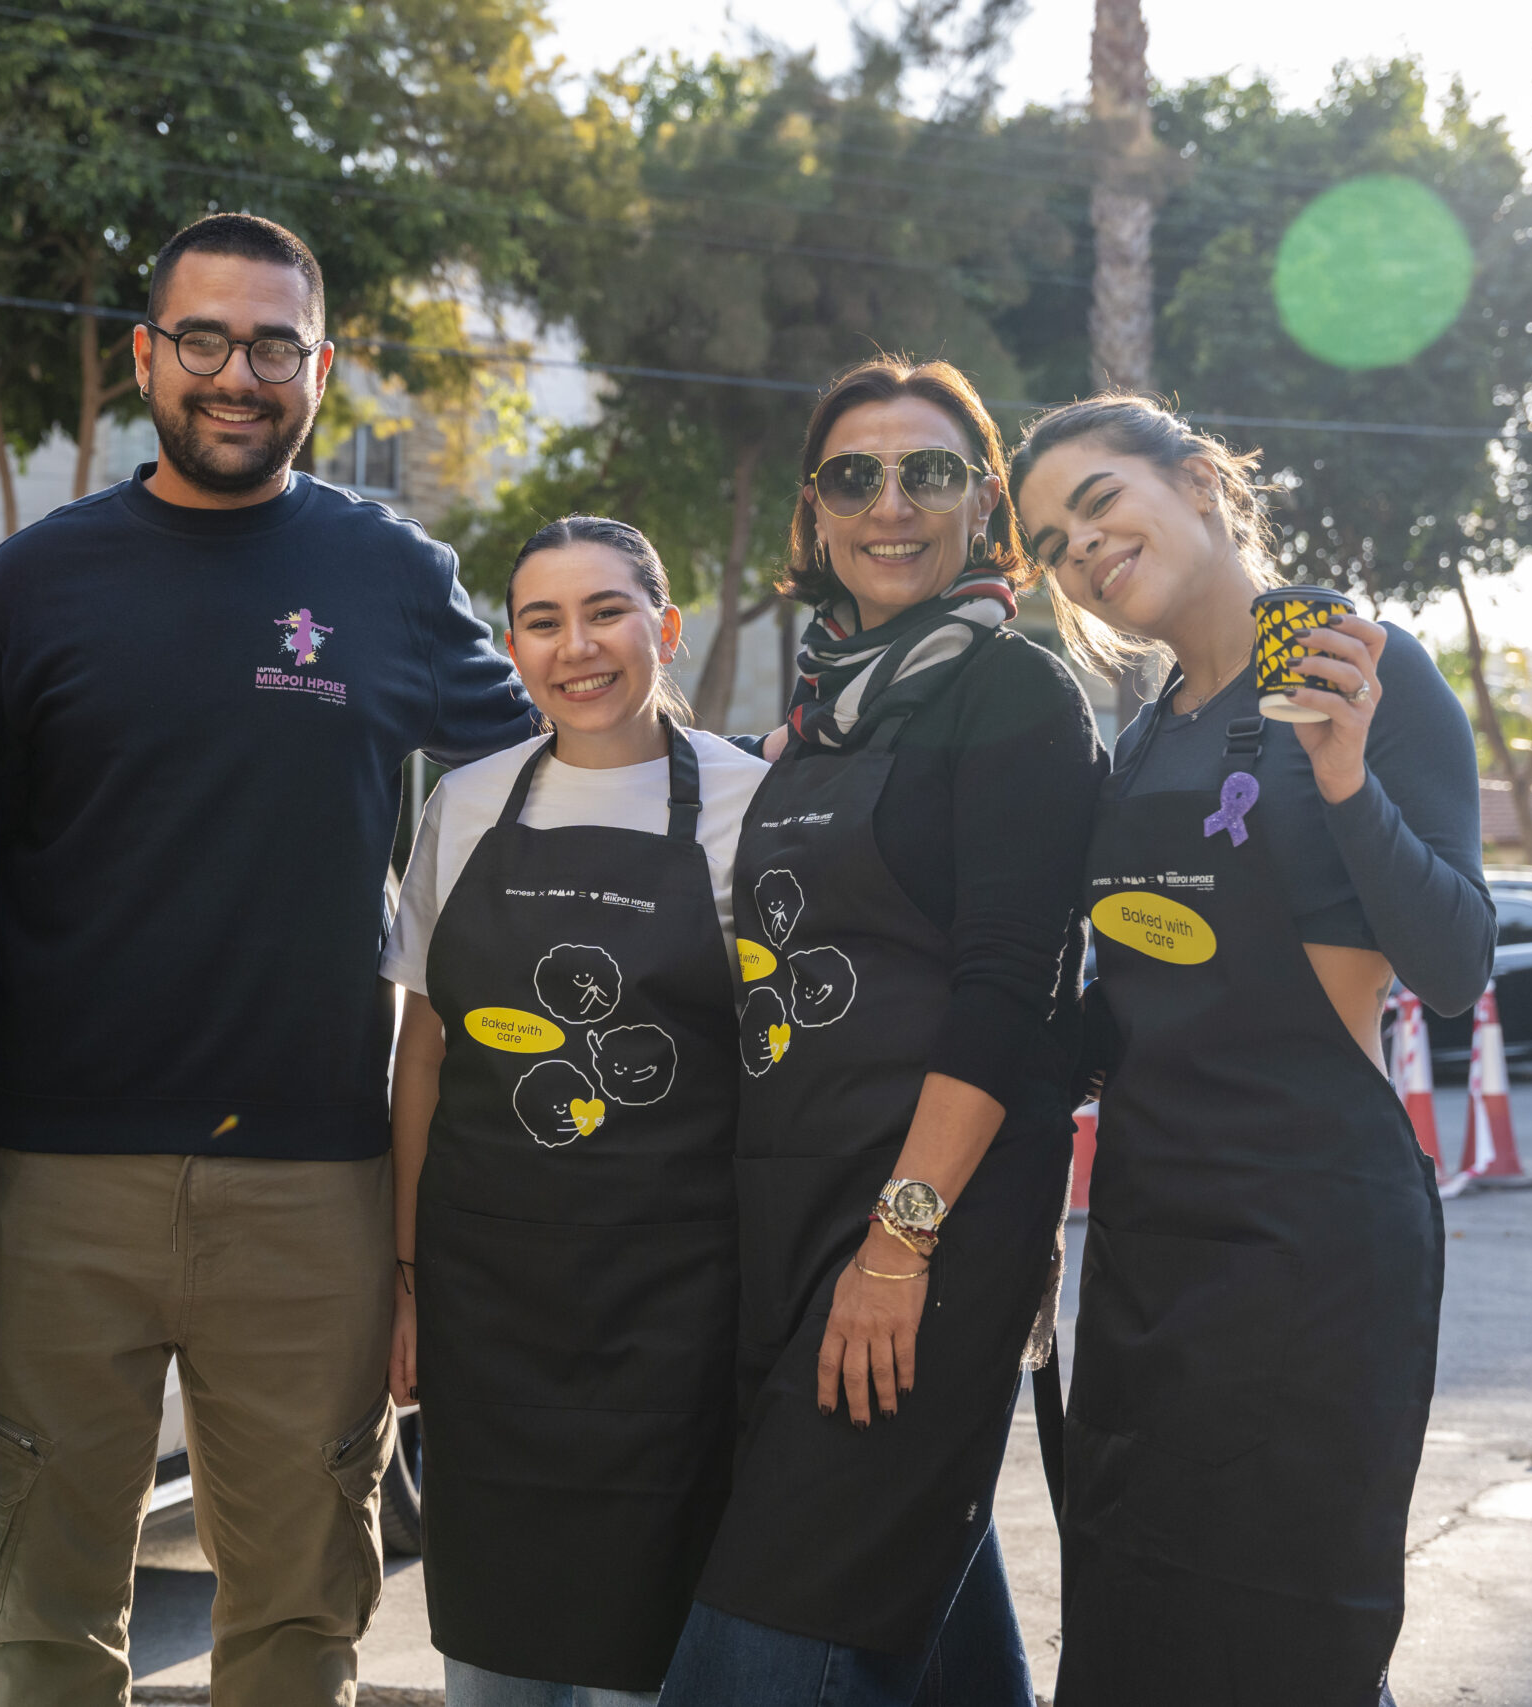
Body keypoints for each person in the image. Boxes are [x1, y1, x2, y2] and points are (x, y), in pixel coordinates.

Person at [0, 211, 534, 1707]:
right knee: (37, 1629)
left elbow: (557, 777)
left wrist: (765, 787)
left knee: (295, 1629)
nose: (236, 375)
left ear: (319, 371)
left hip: (312, 1188)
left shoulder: (390, 574)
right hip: (51, 1182)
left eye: (274, 346)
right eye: (203, 339)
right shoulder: (30, 584)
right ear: (147, 355)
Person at [1010, 393, 1492, 1705]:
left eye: (1099, 503)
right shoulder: (1145, 733)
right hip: (1146, 1241)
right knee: (1129, 1631)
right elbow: (1129, 1003)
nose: (1082, 549)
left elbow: (1455, 965)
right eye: (1053, 543)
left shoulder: (1366, 668)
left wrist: (1342, 773)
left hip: (1310, 1241)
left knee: (1287, 1645)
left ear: (1200, 482)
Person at [662, 357, 1102, 1705]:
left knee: (763, 1639)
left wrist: (899, 1243)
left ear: (984, 504)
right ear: (814, 509)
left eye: (930, 473)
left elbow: (1008, 993)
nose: (890, 504)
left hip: (922, 1230)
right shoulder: (812, 718)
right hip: (787, 1225)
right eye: (854, 475)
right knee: (908, 1607)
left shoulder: (1017, 694)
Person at [386, 517, 766, 1707]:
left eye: (606, 612)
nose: (576, 646)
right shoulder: (466, 801)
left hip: (676, 1307)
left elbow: (785, 1072)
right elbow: (424, 1053)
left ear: (666, 626)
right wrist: (405, 1279)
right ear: (512, 648)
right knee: (491, 1648)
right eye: (542, 622)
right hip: (487, 1302)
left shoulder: (753, 803)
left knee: (641, 1653)